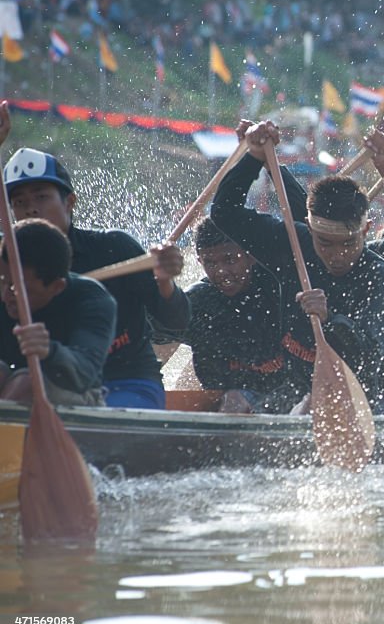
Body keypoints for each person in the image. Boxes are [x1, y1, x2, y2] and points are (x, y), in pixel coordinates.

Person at [0, 102, 189, 409]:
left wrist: (165, 282)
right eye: (20, 203)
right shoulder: (6, 261)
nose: (31, 209)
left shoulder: (115, 248)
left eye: (42, 198)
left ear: (70, 202)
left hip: (125, 380)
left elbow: (176, 323)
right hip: (46, 382)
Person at [210, 120, 384, 411]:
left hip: (355, 392)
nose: (337, 254)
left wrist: (330, 319)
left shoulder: (377, 274)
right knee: (236, 404)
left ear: (365, 231)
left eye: (348, 243)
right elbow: (224, 213)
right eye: (325, 243)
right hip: (292, 385)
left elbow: (369, 359)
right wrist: (255, 158)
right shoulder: (293, 243)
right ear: (310, 231)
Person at [157, 217, 292, 413]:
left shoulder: (280, 290)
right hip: (221, 394)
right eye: (210, 262)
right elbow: (155, 347)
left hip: (282, 394)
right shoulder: (197, 300)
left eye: (230, 260)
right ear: (199, 261)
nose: (221, 272)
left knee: (234, 400)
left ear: (250, 256)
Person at [0, 219, 116, 406]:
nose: (5, 296)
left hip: (77, 396)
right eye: (2, 282)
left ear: (56, 287)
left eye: (17, 289)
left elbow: (84, 374)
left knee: (25, 382)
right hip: (11, 384)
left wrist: (50, 352)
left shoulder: (93, 299)